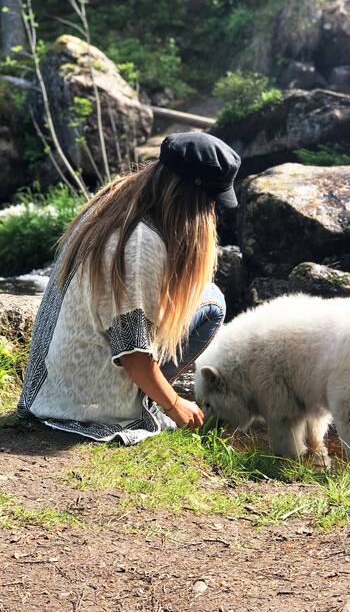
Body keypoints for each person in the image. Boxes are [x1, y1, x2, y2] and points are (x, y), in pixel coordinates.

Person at [18, 132, 241, 444]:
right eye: (212, 203)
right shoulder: (140, 245)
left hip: (48, 388)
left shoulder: (118, 201)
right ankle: (142, 403)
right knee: (213, 305)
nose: (213, 213)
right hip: (85, 406)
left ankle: (147, 395)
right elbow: (134, 356)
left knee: (207, 295)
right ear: (192, 198)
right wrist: (176, 405)